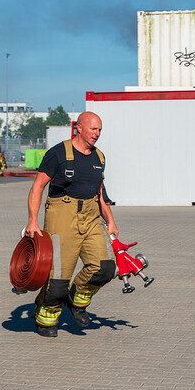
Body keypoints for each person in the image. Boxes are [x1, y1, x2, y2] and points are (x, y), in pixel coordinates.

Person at [24, 111, 119, 338]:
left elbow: (100, 194)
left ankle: (76, 301)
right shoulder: (58, 153)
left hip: (91, 216)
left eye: (100, 130)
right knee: (57, 278)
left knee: (104, 268)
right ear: (79, 128)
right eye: (93, 129)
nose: (97, 134)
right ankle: (46, 315)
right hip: (61, 216)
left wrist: (111, 222)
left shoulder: (99, 158)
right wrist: (32, 221)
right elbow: (38, 187)